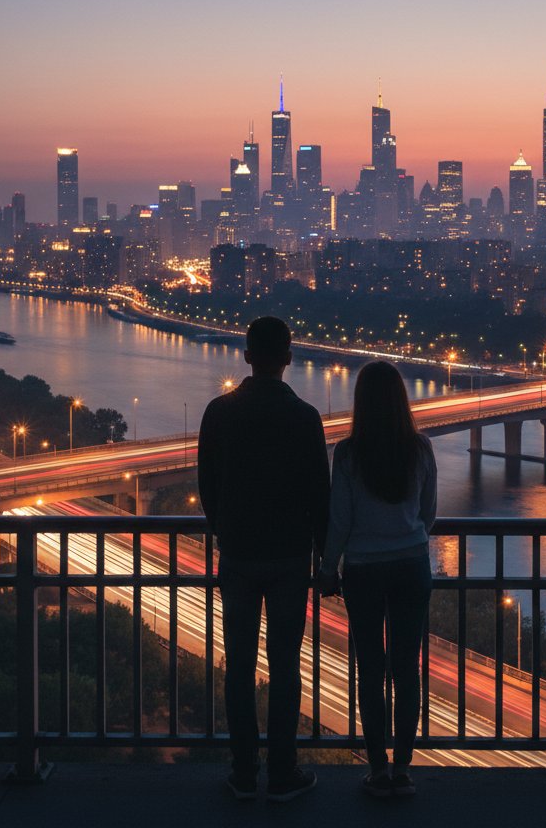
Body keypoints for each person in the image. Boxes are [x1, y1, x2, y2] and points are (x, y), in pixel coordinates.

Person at [197, 316, 330, 802]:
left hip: (238, 554)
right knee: (285, 666)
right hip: (290, 557)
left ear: (248, 356)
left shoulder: (219, 412)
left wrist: (223, 529)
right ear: (289, 358)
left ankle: (243, 772)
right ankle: (282, 772)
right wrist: (325, 558)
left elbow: (207, 484)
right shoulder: (305, 417)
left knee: (239, 666)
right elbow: (320, 494)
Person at [318, 360, 437, 798]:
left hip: (363, 570)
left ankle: (377, 768)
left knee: (369, 671)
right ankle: (403, 768)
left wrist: (328, 569)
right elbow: (429, 512)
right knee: (407, 670)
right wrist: (409, 536)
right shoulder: (420, 448)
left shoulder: (348, 454)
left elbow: (340, 520)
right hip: (412, 565)